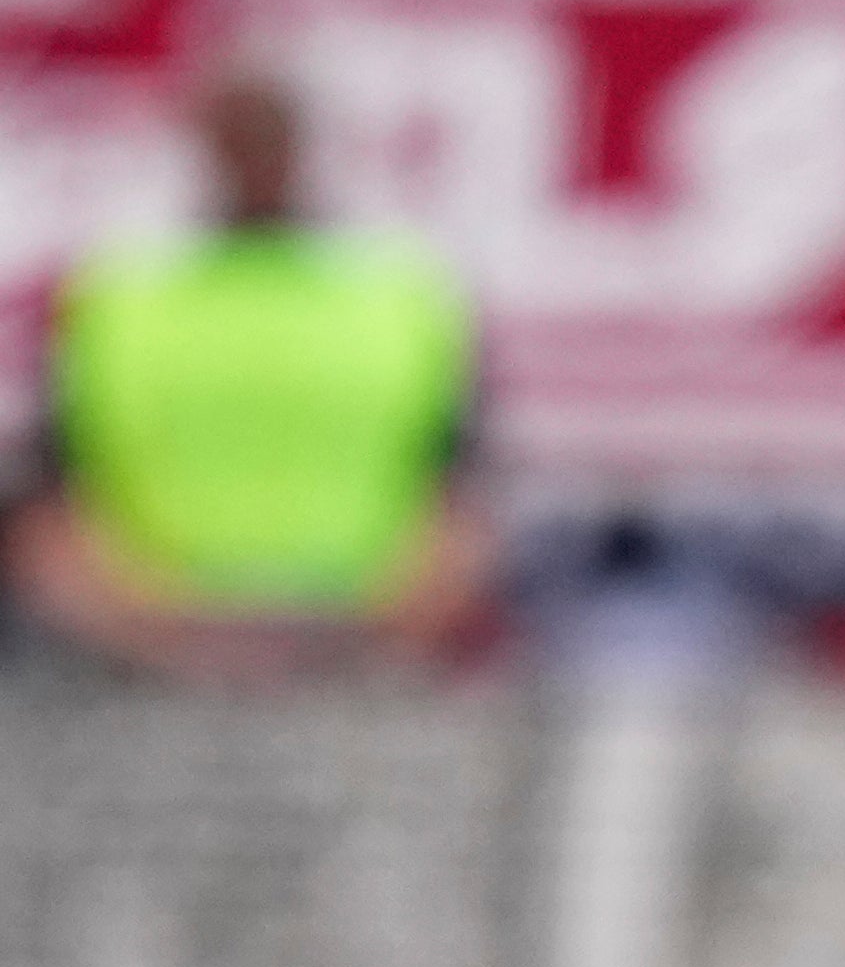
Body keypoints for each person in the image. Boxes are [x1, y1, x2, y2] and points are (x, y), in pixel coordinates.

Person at [10, 67, 488, 678]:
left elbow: (462, 510)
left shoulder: (405, 298)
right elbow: (51, 516)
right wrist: (149, 634)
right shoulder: (115, 299)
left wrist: (383, 628)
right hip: (148, 657)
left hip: (352, 657)